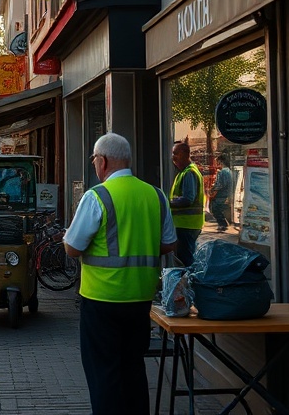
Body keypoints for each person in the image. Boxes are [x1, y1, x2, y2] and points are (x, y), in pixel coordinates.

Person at [64, 133, 176, 415]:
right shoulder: (155, 194)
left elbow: (73, 248)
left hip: (101, 299)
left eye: (93, 160)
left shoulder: (97, 196)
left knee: (104, 374)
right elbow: (169, 242)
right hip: (141, 299)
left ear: (102, 161)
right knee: (133, 369)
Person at [169, 141, 205, 266]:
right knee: (185, 257)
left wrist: (169, 203)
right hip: (186, 225)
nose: (172, 156)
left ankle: (189, 283)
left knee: (185, 260)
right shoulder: (185, 172)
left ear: (185, 154)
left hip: (186, 225)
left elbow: (188, 199)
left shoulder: (189, 173)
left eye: (175, 153)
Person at [209, 158, 233, 233]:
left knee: (215, 209)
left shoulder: (222, 172)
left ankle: (223, 224)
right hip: (227, 194)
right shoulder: (229, 171)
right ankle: (223, 224)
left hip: (220, 195)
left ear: (220, 162)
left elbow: (219, 185)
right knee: (219, 210)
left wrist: (213, 192)